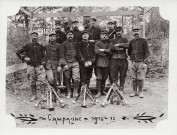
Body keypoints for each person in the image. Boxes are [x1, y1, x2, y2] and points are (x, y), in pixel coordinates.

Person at [16, 31, 47, 102]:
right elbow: (18, 52)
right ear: (31, 37)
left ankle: (43, 95)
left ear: (37, 37)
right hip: (30, 66)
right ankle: (34, 95)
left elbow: (44, 56)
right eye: (33, 35)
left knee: (42, 80)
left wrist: (43, 62)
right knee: (32, 81)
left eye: (36, 35)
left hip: (39, 65)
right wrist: (24, 58)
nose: (34, 37)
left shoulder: (40, 46)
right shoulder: (27, 45)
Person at [128, 27, 150, 98]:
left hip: (141, 62)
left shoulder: (144, 41)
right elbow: (129, 52)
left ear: (140, 32)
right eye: (134, 31)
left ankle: (140, 92)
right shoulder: (131, 42)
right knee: (133, 77)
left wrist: (144, 62)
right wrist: (131, 60)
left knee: (140, 78)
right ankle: (134, 92)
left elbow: (147, 52)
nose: (136, 32)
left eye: (137, 31)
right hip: (133, 62)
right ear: (133, 33)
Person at [59, 31, 80, 98]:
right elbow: (61, 55)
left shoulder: (76, 44)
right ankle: (69, 91)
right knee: (67, 78)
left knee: (76, 77)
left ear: (73, 36)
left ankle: (75, 91)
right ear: (66, 36)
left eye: (71, 34)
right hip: (67, 63)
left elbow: (78, 54)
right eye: (68, 34)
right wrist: (64, 64)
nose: (70, 36)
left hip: (75, 62)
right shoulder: (63, 44)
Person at [110, 27, 129, 93]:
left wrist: (119, 44)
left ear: (122, 32)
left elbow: (128, 45)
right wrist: (119, 49)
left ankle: (121, 88)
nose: (118, 32)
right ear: (115, 32)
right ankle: (115, 88)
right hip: (114, 59)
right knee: (114, 74)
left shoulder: (125, 39)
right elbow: (111, 47)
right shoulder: (112, 40)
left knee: (123, 75)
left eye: (120, 31)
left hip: (123, 59)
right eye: (117, 31)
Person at [44, 31, 61, 101]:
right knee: (50, 79)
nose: (52, 37)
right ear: (49, 37)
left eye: (54, 36)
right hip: (48, 65)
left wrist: (60, 65)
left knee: (55, 80)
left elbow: (61, 56)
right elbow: (43, 55)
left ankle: (55, 94)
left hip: (56, 64)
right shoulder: (46, 46)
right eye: (51, 36)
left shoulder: (59, 45)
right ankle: (51, 93)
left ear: (56, 37)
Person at [95, 30, 112, 98]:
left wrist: (104, 50)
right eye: (103, 35)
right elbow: (97, 51)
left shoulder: (109, 43)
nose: (104, 36)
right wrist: (105, 53)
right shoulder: (97, 43)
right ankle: (98, 91)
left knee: (105, 77)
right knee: (99, 77)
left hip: (107, 62)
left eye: (105, 35)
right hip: (98, 62)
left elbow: (111, 52)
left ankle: (102, 90)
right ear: (100, 36)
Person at [55, 20, 67, 86]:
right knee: (57, 68)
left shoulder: (64, 34)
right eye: (56, 25)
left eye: (59, 25)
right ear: (55, 26)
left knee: (64, 66)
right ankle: (58, 82)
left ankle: (65, 83)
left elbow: (65, 43)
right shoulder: (53, 34)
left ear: (60, 26)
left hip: (63, 53)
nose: (58, 26)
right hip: (56, 53)